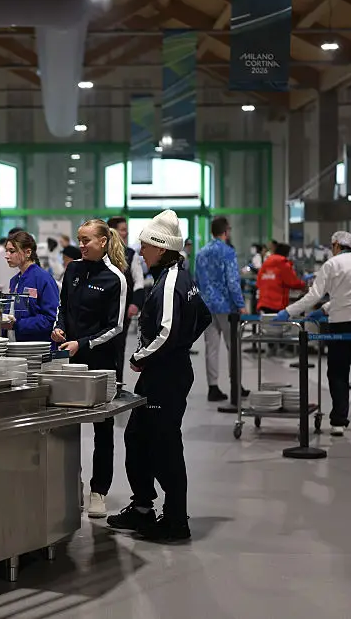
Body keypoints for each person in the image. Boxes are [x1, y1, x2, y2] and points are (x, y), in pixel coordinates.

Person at [107, 210, 211, 542]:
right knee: (137, 438)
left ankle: (176, 520)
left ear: (161, 248)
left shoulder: (170, 282)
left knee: (164, 446)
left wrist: (140, 357)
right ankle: (142, 509)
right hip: (163, 372)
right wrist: (179, 346)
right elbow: (203, 317)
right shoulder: (181, 276)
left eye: (145, 245)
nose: (141, 249)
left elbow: (166, 332)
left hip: (165, 375)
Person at [52, 218, 127, 519]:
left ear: (104, 241)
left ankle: (99, 491)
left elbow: (116, 327)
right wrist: (58, 328)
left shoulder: (115, 278)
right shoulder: (72, 270)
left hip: (99, 362)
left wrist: (81, 344)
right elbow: (62, 306)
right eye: (80, 240)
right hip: (69, 359)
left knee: (102, 428)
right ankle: (74, 484)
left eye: (87, 240)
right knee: (67, 426)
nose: (81, 245)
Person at [277, 231, 351, 435]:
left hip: (343, 323)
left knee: (338, 371)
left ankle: (339, 421)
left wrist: (288, 311)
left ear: (335, 245)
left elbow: (313, 295)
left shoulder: (331, 264)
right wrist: (324, 310)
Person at [195, 216, 249, 402]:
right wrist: (241, 305)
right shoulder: (228, 252)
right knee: (233, 346)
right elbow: (232, 281)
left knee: (211, 348)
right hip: (227, 306)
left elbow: (198, 280)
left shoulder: (201, 253)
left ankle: (213, 387)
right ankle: (236, 385)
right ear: (226, 231)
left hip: (207, 306)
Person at [2, 231, 59, 343]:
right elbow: (12, 313)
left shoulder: (43, 279)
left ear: (28, 252)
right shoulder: (14, 281)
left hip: (36, 347)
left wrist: (17, 324)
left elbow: (50, 319)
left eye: (12, 251)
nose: (6, 255)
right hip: (14, 344)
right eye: (7, 251)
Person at [108, 217, 147, 377]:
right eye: (123, 229)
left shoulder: (131, 255)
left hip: (123, 312)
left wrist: (135, 304)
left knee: (118, 346)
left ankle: (116, 384)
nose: (126, 232)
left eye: (126, 229)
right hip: (101, 311)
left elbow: (139, 282)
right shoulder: (101, 254)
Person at [256, 243, 308, 315]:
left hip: (263, 302)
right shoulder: (283, 264)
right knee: (277, 325)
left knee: (266, 324)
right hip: (277, 303)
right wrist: (304, 286)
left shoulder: (266, 263)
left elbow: (258, 282)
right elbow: (293, 282)